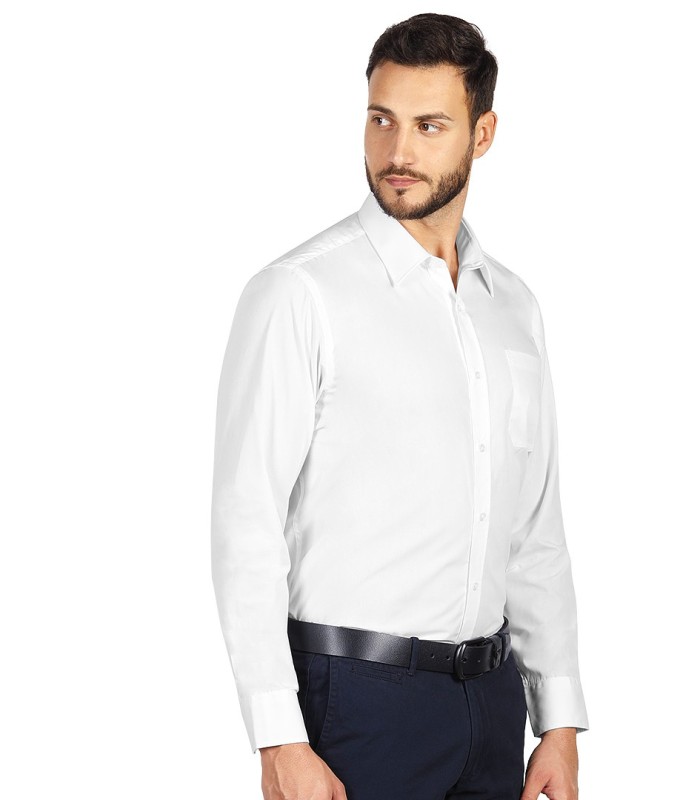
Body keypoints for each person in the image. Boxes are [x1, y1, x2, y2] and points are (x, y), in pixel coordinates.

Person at [210, 12, 589, 800]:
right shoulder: (300, 294)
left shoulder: (513, 307)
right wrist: (278, 737)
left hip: (492, 704)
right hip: (355, 702)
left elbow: (533, 528)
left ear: (483, 135)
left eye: (429, 125)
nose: (397, 152)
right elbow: (247, 520)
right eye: (381, 119)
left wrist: (556, 718)